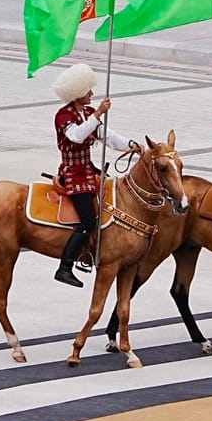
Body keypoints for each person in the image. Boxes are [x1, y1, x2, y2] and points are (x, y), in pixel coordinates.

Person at [52, 63, 141, 288]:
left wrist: (131, 145)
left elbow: (107, 136)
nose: (92, 93)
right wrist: (99, 113)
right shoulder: (64, 116)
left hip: (89, 172)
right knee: (88, 220)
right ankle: (65, 267)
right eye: (88, 90)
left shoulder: (88, 113)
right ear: (77, 92)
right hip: (73, 175)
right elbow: (77, 136)